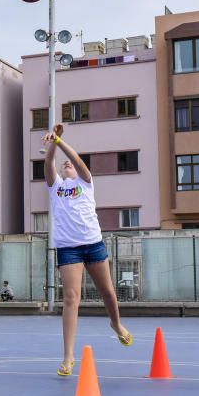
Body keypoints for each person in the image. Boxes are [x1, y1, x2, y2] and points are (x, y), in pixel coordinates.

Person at [43, 123, 132, 377]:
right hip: (68, 248)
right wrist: (53, 144)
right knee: (71, 298)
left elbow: (77, 160)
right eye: (64, 165)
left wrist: (61, 141)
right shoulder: (56, 188)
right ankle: (68, 355)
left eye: (68, 164)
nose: (66, 165)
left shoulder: (86, 182)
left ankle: (116, 324)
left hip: (93, 244)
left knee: (107, 291)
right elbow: (49, 165)